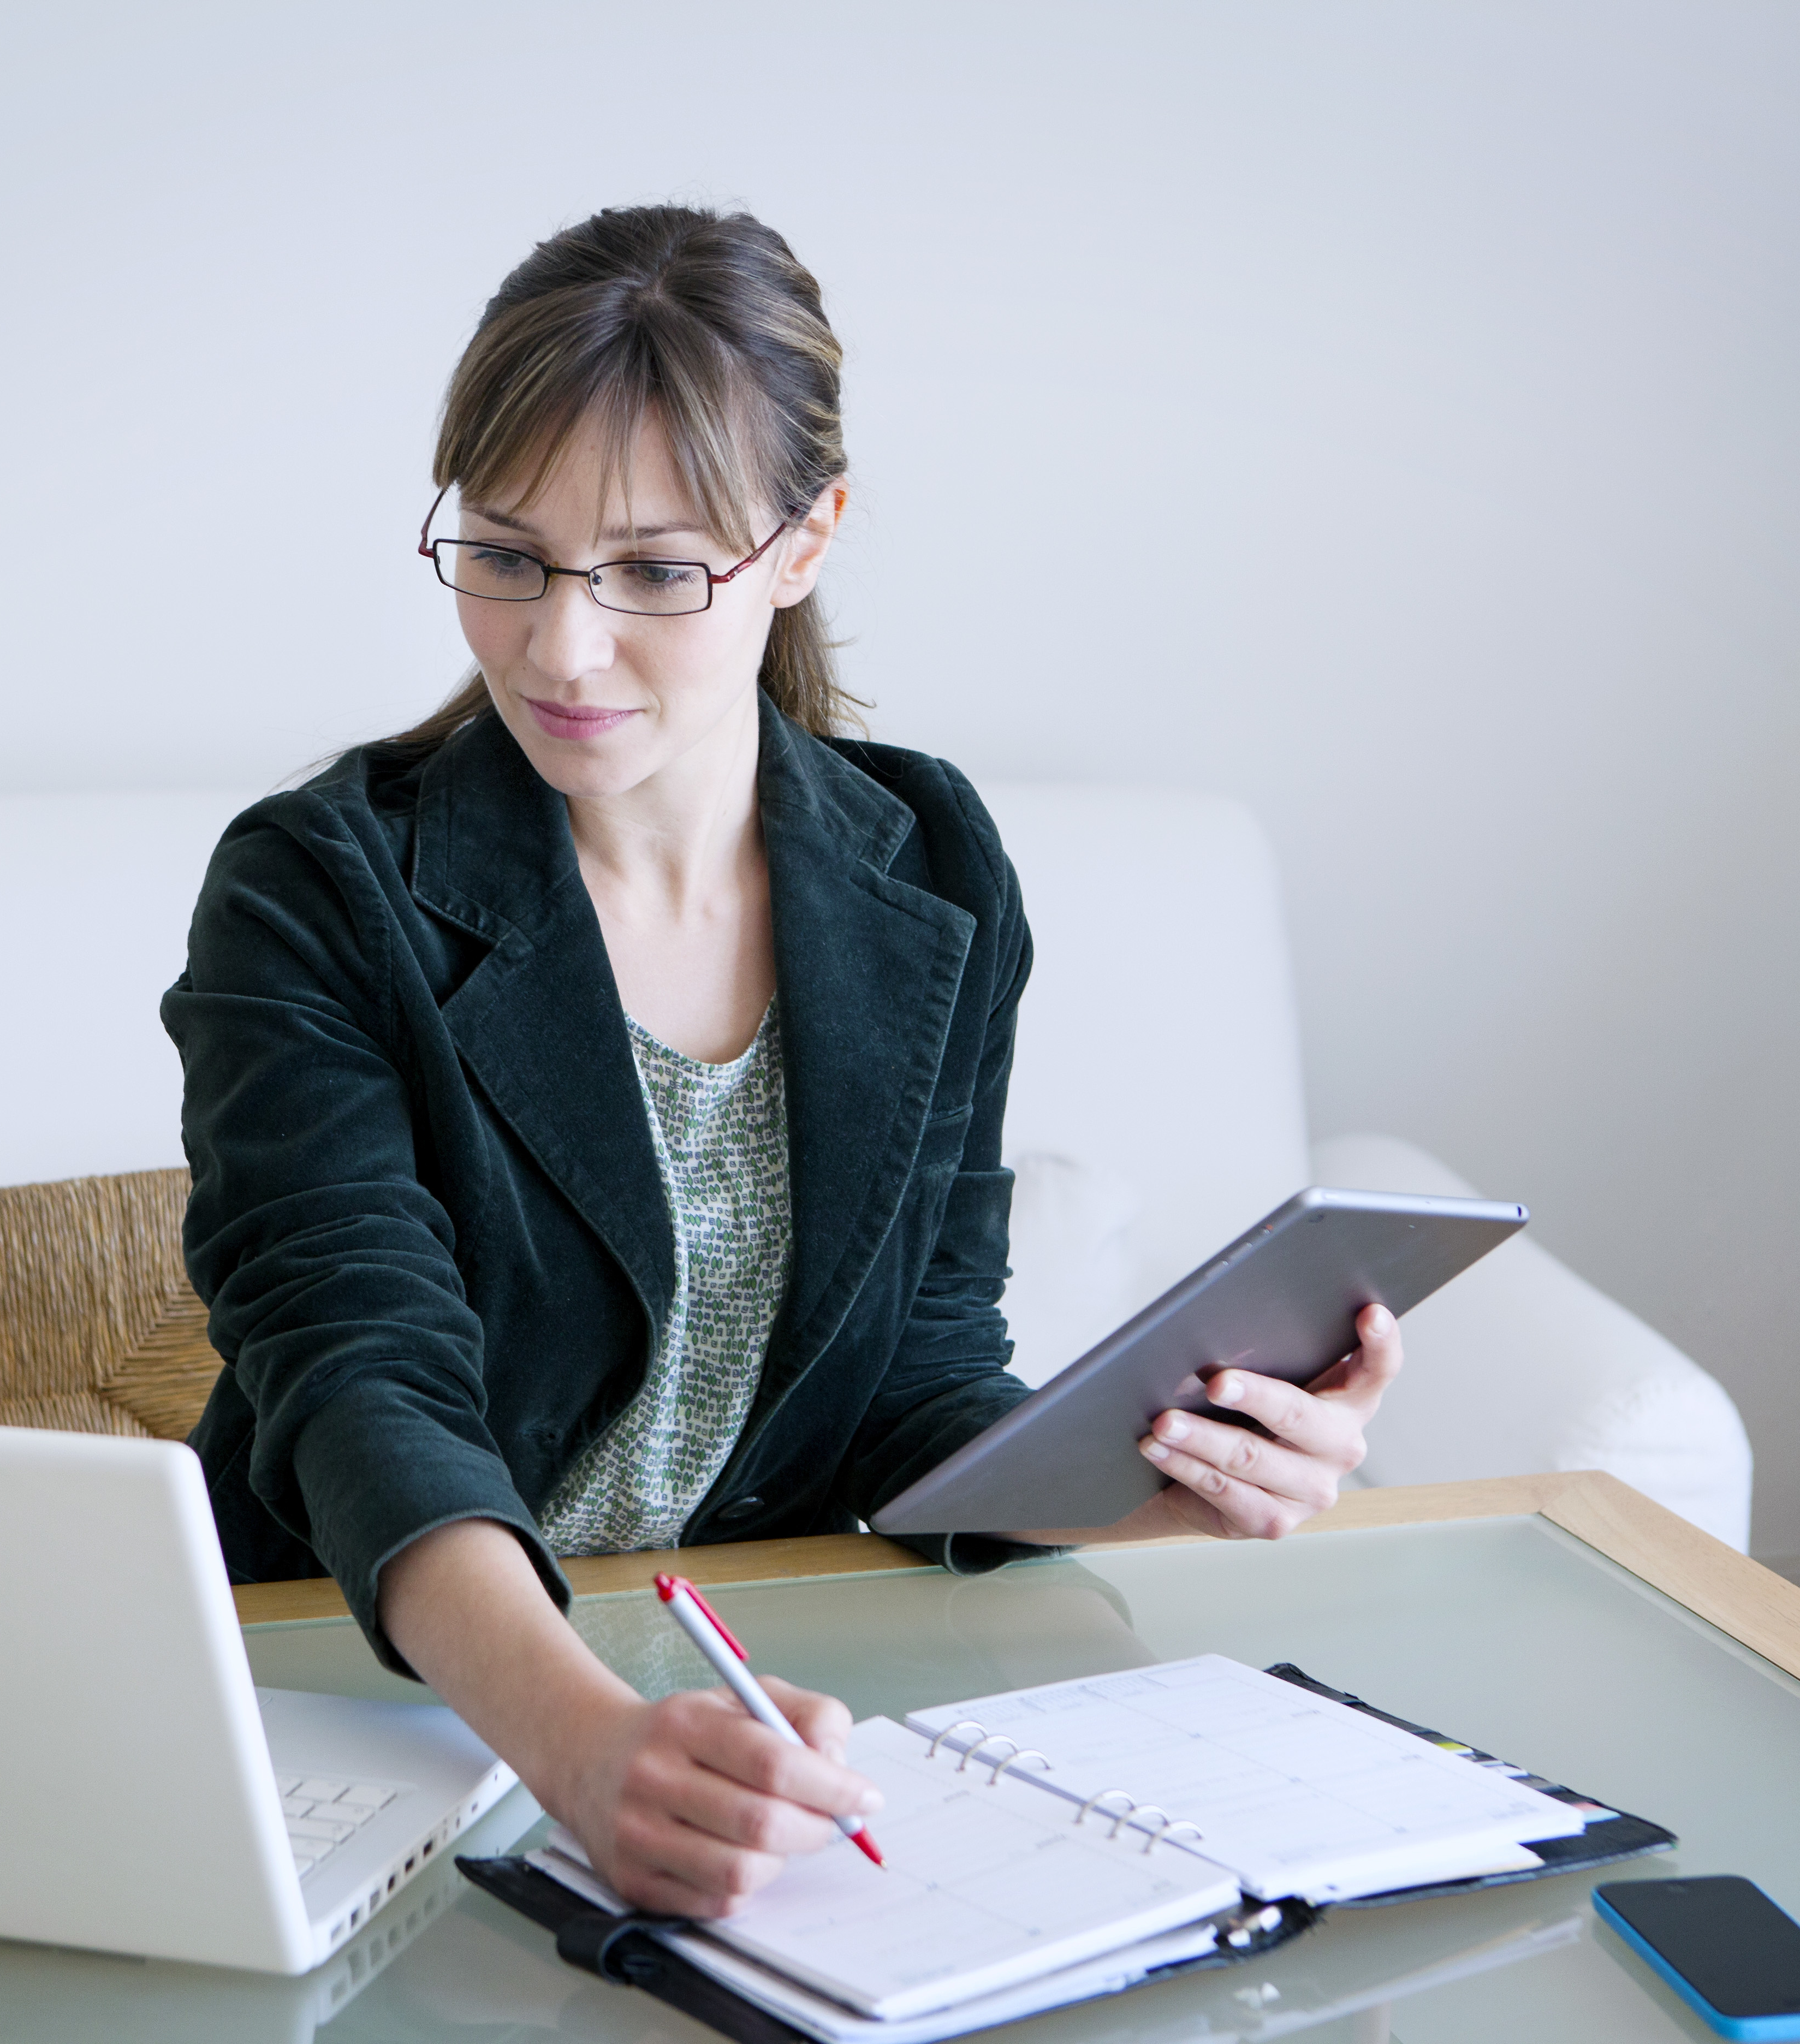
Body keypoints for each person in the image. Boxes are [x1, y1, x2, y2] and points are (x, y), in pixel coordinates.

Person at [162, 205, 1401, 1919]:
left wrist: (1168, 1475)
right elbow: (360, 1386)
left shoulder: (934, 864)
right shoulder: (318, 886)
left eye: (659, 573)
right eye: (506, 555)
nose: (560, 646)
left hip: (758, 1680)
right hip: (371, 1706)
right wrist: (585, 1748)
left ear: (807, 538)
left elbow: (912, 1387)